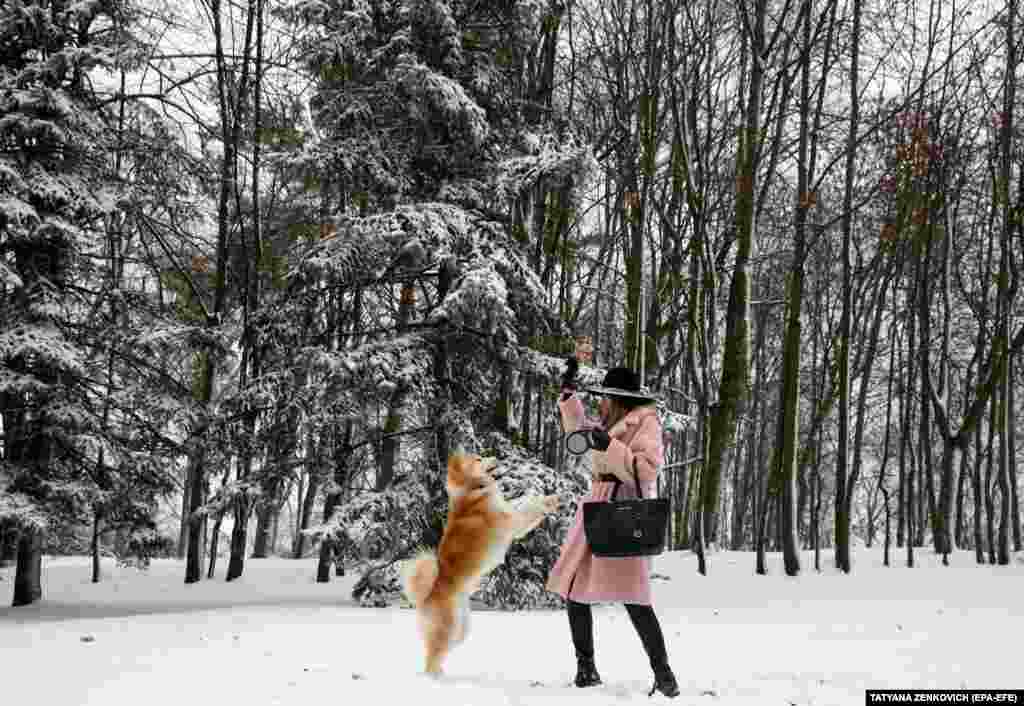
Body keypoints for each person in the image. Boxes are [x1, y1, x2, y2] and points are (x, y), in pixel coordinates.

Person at [546, 359, 680, 698]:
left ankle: (664, 674)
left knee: (635, 597)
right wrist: (567, 396)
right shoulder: (612, 422)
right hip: (597, 504)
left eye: (606, 396)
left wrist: (611, 446)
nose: (601, 402)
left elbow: (647, 470)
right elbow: (579, 431)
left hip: (624, 508)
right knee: (574, 588)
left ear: (620, 399)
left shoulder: (646, 423)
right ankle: (586, 669)